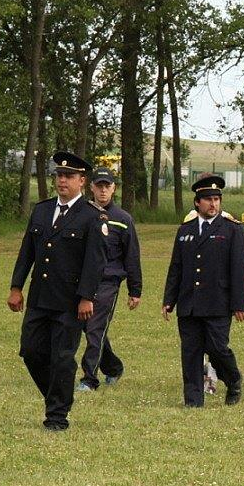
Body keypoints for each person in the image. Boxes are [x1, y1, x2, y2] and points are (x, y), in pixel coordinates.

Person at [8, 151, 107, 431]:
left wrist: (87, 297)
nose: (63, 180)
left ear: (82, 181)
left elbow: (95, 262)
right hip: (40, 297)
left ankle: (57, 416)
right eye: (59, 175)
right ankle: (58, 396)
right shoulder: (41, 210)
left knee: (63, 358)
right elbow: (27, 251)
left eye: (69, 176)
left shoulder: (91, 216)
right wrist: (16, 286)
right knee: (30, 351)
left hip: (70, 301)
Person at [162, 173, 244, 408]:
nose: (213, 204)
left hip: (218, 301)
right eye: (208, 199)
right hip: (189, 302)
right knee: (190, 351)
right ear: (197, 203)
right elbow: (176, 267)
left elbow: (239, 269)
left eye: (217, 199)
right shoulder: (185, 230)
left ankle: (233, 379)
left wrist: (239, 303)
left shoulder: (232, 230)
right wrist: (169, 299)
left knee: (217, 348)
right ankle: (193, 400)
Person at [76, 167, 142, 392]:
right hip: (82, 281)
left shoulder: (123, 219)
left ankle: (89, 378)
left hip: (108, 283)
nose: (103, 190)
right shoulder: (81, 214)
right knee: (88, 327)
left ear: (114, 189)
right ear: (91, 187)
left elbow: (132, 256)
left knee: (95, 327)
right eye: (99, 186)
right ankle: (113, 367)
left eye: (107, 186)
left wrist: (135, 290)